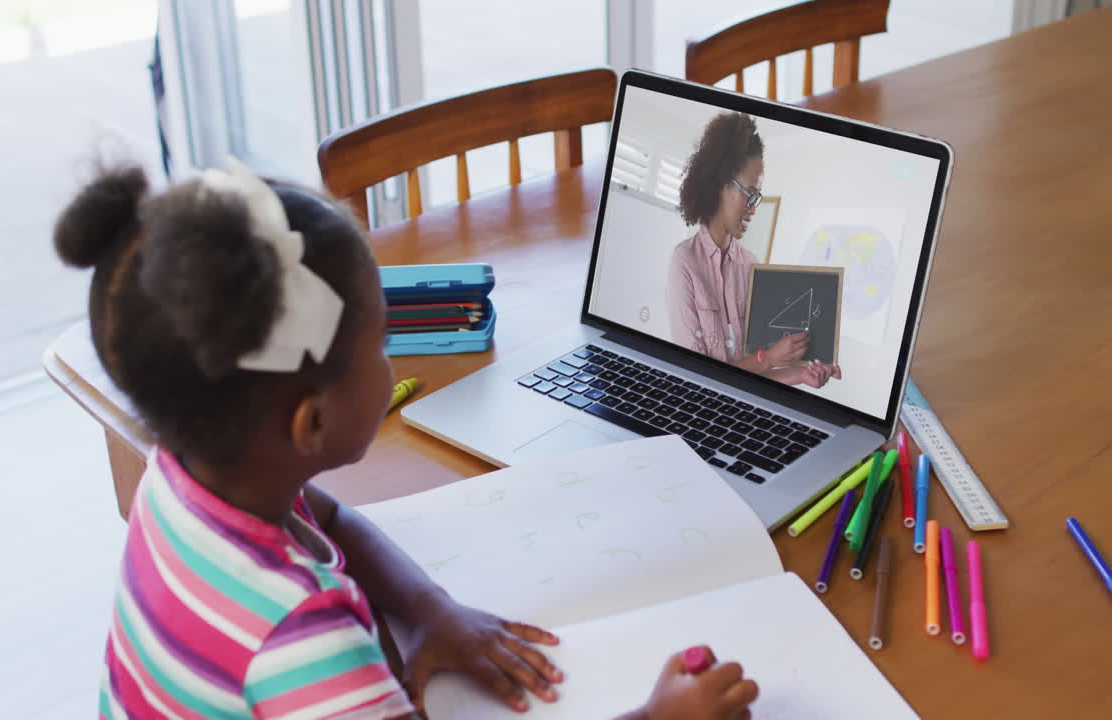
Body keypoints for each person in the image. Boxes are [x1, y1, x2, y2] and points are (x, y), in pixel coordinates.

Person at [55, 160, 759, 719]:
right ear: (312, 423)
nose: (395, 363)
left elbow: (329, 519)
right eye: (382, 343)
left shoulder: (181, 479)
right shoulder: (306, 646)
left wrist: (429, 610)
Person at [667, 112, 842, 388]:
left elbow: (754, 371)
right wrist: (770, 357)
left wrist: (804, 374)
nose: (753, 209)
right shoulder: (685, 261)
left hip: (747, 405)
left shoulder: (750, 265)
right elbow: (696, 377)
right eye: (749, 194)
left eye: (757, 197)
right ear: (720, 184)